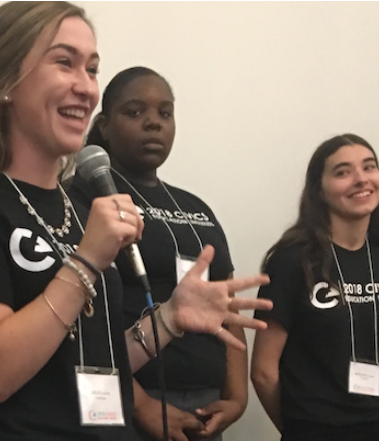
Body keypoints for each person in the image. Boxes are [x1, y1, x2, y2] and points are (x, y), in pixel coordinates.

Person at [0, 2, 272, 440]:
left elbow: (96, 361)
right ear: (4, 82)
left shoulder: (76, 211)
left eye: (92, 69)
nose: (86, 88)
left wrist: (171, 318)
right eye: (64, 63)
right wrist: (86, 261)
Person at [69, 66, 247, 441]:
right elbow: (85, 322)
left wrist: (237, 396)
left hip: (203, 406)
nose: (153, 123)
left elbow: (225, 303)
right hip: (126, 399)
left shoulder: (196, 207)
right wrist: (139, 405)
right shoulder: (84, 199)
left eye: (164, 113)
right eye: (135, 112)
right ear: (103, 124)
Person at [251, 134, 379, 440]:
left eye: (369, 167)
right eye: (342, 172)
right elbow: (263, 371)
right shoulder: (291, 261)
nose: (360, 179)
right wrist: (298, 429)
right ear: (320, 190)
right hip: (315, 428)